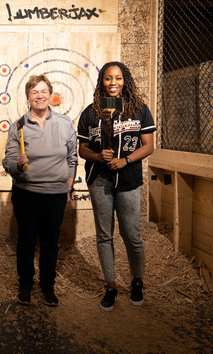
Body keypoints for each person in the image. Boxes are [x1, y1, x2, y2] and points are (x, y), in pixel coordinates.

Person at [77, 61, 155, 312]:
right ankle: (110, 285)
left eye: (118, 78)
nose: (113, 83)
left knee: (131, 234)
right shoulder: (91, 113)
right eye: (108, 78)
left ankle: (137, 282)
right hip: (100, 180)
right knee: (104, 235)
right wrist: (99, 157)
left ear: (125, 81)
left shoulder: (139, 110)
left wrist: (125, 160)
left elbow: (148, 146)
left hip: (129, 180)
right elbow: (82, 149)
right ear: (102, 82)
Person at [2, 74, 77, 307]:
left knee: (50, 243)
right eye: (34, 92)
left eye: (43, 91)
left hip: (55, 194)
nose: (39, 96)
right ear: (28, 97)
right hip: (27, 193)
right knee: (26, 242)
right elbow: (7, 161)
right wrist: (17, 164)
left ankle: (47, 286)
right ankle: (25, 286)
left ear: (51, 95)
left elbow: (72, 157)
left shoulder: (64, 123)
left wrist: (69, 185)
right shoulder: (18, 126)